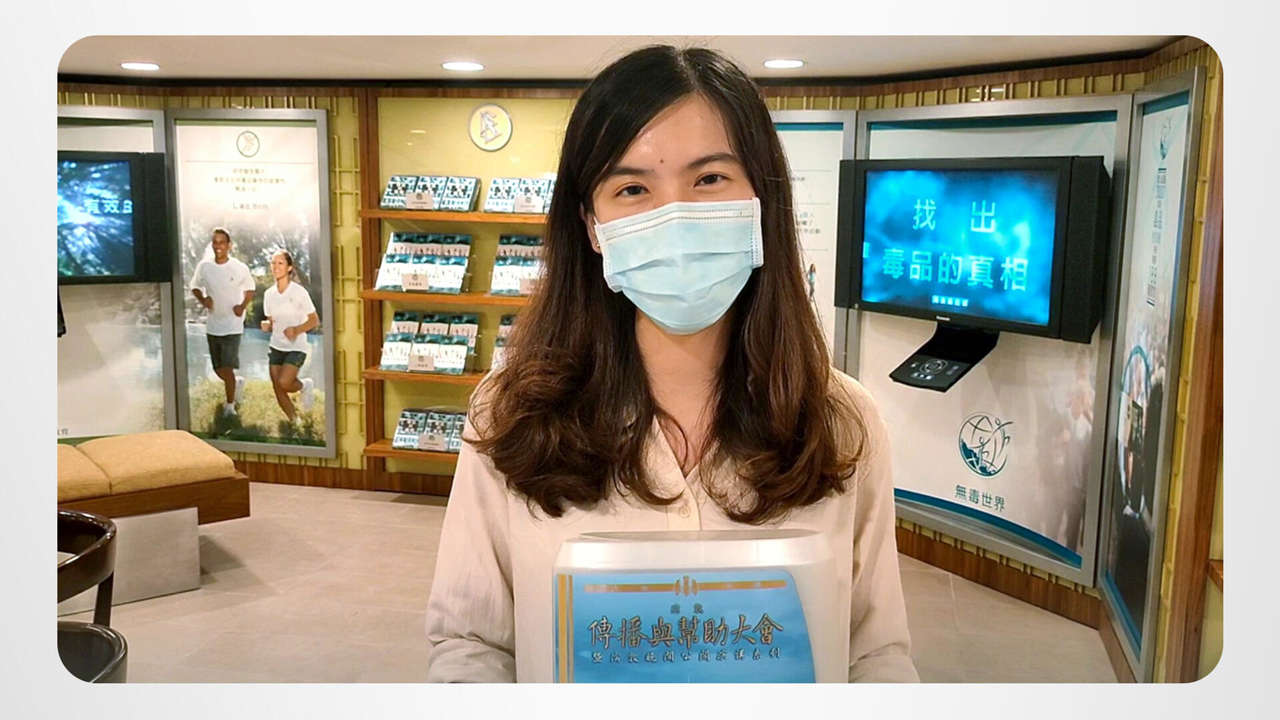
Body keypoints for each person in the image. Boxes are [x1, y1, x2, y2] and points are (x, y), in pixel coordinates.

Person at [424, 45, 918, 683]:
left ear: (761, 198)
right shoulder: (511, 414)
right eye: (632, 188)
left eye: (709, 179)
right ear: (593, 226)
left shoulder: (841, 420)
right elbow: (471, 642)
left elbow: (874, 652)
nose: (674, 216)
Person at [189, 227, 255, 417]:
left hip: (233, 325)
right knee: (219, 370)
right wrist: (203, 300)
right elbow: (194, 286)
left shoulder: (239, 267)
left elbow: (250, 289)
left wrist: (242, 306)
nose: (218, 246)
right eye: (215, 242)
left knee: (227, 367)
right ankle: (236, 383)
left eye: (222, 242)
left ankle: (230, 406)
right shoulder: (205, 266)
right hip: (213, 325)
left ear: (229, 245)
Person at [260, 250, 318, 424]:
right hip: (276, 345)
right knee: (277, 386)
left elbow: (314, 320)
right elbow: (272, 322)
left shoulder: (299, 292)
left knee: (285, 383)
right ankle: (295, 421)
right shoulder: (268, 294)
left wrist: (296, 329)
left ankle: (304, 386)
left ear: (289, 267)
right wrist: (267, 325)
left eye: (280, 263)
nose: (275, 267)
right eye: (273, 263)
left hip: (296, 347)